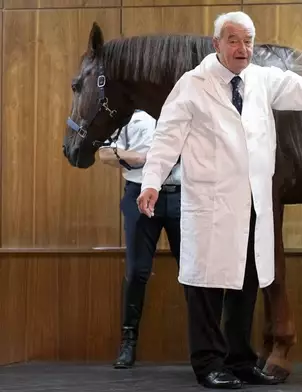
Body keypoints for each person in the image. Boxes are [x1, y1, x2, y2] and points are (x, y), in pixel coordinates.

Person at [136, 11, 302, 390]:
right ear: (217, 44)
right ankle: (208, 364)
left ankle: (240, 360)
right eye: (234, 40)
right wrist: (151, 182)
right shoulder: (192, 86)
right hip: (211, 204)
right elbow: (166, 138)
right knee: (206, 288)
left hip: (253, 205)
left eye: (248, 41)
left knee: (246, 284)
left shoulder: (261, 80)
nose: (242, 49)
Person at [98, 109, 182, 369]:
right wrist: (145, 158)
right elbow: (104, 152)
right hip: (139, 194)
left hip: (182, 195)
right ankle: (128, 342)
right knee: (136, 272)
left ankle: (209, 346)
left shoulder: (184, 108)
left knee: (195, 273)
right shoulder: (130, 115)